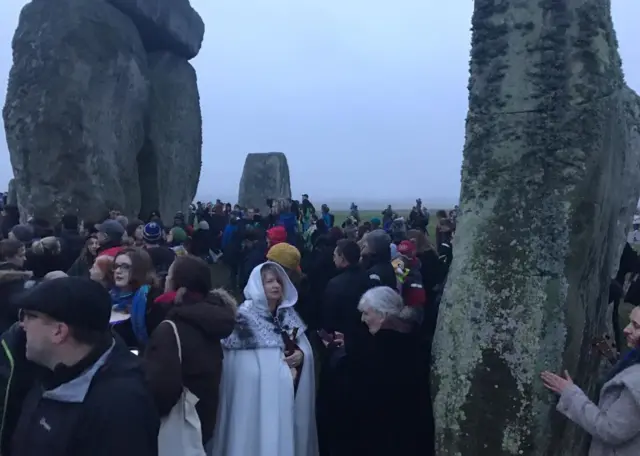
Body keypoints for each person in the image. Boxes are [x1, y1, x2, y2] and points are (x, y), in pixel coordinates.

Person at [10, 277, 159, 456]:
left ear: (59, 331)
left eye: (30, 316)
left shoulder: (119, 406)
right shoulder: (47, 372)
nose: (22, 324)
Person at [212, 262, 318, 456]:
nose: (276, 285)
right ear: (257, 286)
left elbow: (305, 350)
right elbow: (241, 368)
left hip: (287, 396)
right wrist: (278, 374)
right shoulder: (243, 319)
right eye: (269, 281)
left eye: (278, 281)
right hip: (256, 399)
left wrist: (301, 356)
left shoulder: (287, 314)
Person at [145, 255, 236, 453]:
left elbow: (160, 390)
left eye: (169, 275)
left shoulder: (171, 328)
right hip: (203, 418)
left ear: (178, 284)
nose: (165, 279)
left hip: (175, 427)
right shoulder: (211, 320)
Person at [541, 305, 640, 456]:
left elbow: (610, 429)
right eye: (630, 322)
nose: (626, 329)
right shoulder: (634, 360)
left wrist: (569, 394)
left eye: (636, 326)